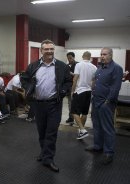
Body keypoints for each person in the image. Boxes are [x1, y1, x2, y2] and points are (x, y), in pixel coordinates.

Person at [22, 39, 72, 172]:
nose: (49, 51)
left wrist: (63, 91)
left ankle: (48, 159)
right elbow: (25, 79)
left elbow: (68, 82)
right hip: (38, 104)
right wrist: (29, 90)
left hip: (54, 104)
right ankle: (44, 152)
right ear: (41, 50)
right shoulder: (33, 66)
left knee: (51, 132)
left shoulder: (62, 66)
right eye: (46, 49)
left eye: (51, 49)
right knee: (42, 131)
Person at [85, 48, 123, 165]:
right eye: (101, 54)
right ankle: (98, 146)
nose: (102, 56)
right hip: (95, 101)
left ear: (111, 55)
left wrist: (107, 102)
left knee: (107, 128)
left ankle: (109, 152)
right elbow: (95, 81)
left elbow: (115, 88)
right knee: (96, 125)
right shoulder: (100, 67)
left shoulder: (116, 68)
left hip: (106, 103)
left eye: (105, 54)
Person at [71, 51, 97, 139]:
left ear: (82, 56)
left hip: (79, 91)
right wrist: (91, 89)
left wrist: (72, 91)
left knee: (74, 112)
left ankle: (82, 130)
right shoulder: (94, 67)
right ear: (90, 57)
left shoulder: (79, 65)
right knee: (84, 113)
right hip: (88, 92)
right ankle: (81, 131)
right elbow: (94, 81)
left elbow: (75, 79)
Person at [65, 52, 78, 125]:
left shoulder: (78, 65)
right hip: (69, 87)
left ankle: (77, 118)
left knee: (75, 104)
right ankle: (71, 118)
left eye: (70, 58)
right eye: (68, 58)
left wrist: (71, 73)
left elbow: (78, 76)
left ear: (74, 57)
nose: (69, 59)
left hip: (76, 87)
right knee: (70, 103)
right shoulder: (66, 66)